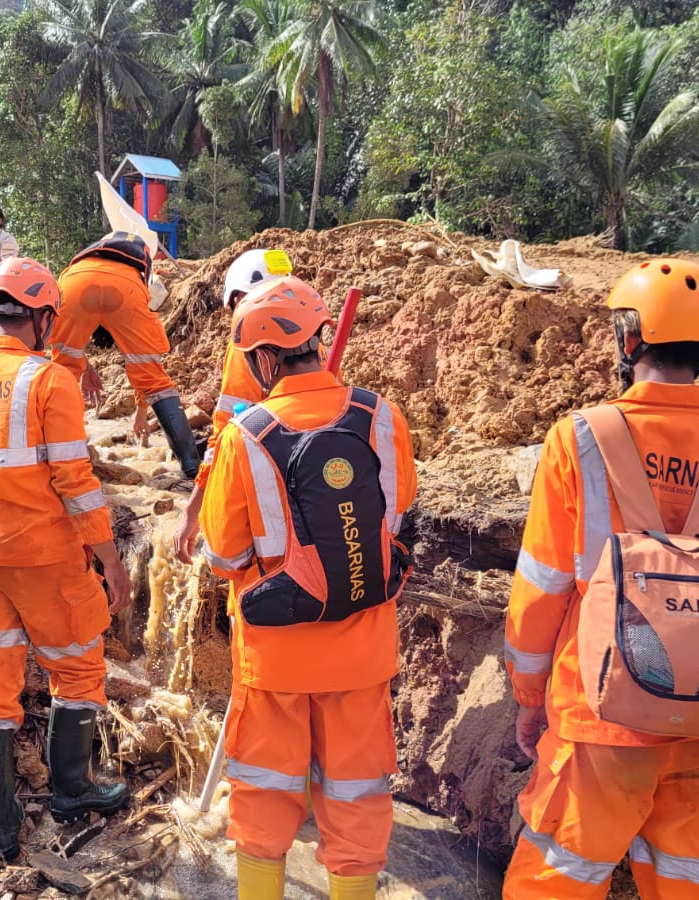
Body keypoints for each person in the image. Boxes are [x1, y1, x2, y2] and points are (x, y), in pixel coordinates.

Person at [502, 259, 699, 899]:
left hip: (599, 720)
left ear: (629, 337)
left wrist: (530, 698)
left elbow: (541, 590)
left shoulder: (579, 440)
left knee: (556, 880)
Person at [200, 276, 417, 900]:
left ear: (264, 358)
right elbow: (396, 522)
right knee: (356, 800)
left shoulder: (246, 436)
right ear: (319, 340)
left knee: (265, 801)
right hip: (363, 653)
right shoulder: (381, 417)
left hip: (276, 662)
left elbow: (224, 554)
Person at [0, 256, 131, 864]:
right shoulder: (49, 381)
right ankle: (72, 791)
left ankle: (3, 830)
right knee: (76, 670)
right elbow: (75, 481)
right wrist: (110, 560)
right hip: (45, 556)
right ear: (43, 317)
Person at [172, 247, 293, 563]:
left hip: (267, 508)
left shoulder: (246, 350)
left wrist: (194, 508)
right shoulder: (315, 346)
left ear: (241, 299)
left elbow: (225, 436)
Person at [47, 231, 200, 478]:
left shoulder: (85, 258)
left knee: (61, 370)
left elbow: (67, 345)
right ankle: (192, 469)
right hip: (126, 291)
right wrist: (141, 411)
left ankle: (61, 461)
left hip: (75, 284)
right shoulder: (140, 265)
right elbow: (144, 369)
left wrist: (81, 366)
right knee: (155, 380)